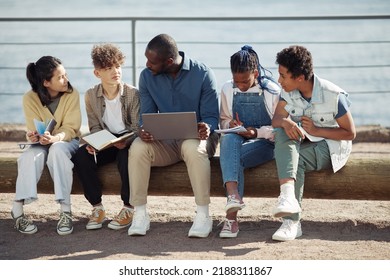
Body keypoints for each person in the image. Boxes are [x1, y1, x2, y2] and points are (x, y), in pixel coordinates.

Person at [127, 34, 219, 238]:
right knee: (138, 147)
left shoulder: (203, 73)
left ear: (169, 61)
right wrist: (144, 129)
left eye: (152, 61)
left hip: (199, 140)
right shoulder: (147, 77)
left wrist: (207, 127)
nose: (147, 65)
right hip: (166, 143)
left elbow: (212, 117)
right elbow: (147, 116)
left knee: (192, 148)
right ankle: (140, 213)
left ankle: (203, 215)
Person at [271, 45, 356, 241]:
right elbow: (276, 119)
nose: (279, 81)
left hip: (332, 146)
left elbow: (350, 133)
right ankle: (287, 196)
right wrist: (285, 121)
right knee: (282, 128)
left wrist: (317, 131)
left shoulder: (333, 95)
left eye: (283, 76)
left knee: (296, 160)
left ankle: (292, 222)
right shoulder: (288, 92)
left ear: (299, 78)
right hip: (306, 140)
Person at [72, 43, 140, 230]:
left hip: (128, 140)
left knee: (127, 157)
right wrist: (95, 143)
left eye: (117, 66)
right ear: (97, 73)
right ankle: (97, 208)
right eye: (108, 68)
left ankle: (128, 207)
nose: (115, 71)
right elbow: (94, 126)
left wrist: (124, 141)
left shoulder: (133, 94)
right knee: (80, 155)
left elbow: (136, 128)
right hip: (106, 141)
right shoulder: (91, 95)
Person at [11, 56, 81, 235]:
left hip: (67, 142)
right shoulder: (29, 98)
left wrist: (55, 138)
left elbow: (71, 128)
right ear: (46, 83)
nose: (66, 80)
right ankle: (17, 211)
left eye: (65, 75)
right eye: (60, 77)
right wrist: (33, 136)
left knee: (57, 151)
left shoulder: (72, 94)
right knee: (27, 157)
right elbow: (33, 128)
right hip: (43, 144)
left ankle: (65, 211)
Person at [218, 45, 280, 238]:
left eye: (245, 81)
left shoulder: (272, 91)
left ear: (255, 73)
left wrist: (256, 133)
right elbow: (223, 119)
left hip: (267, 144)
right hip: (238, 140)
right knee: (228, 137)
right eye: (237, 81)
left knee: (233, 159)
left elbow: (280, 131)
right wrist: (232, 124)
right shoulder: (228, 88)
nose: (241, 85)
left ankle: (231, 220)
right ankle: (233, 196)